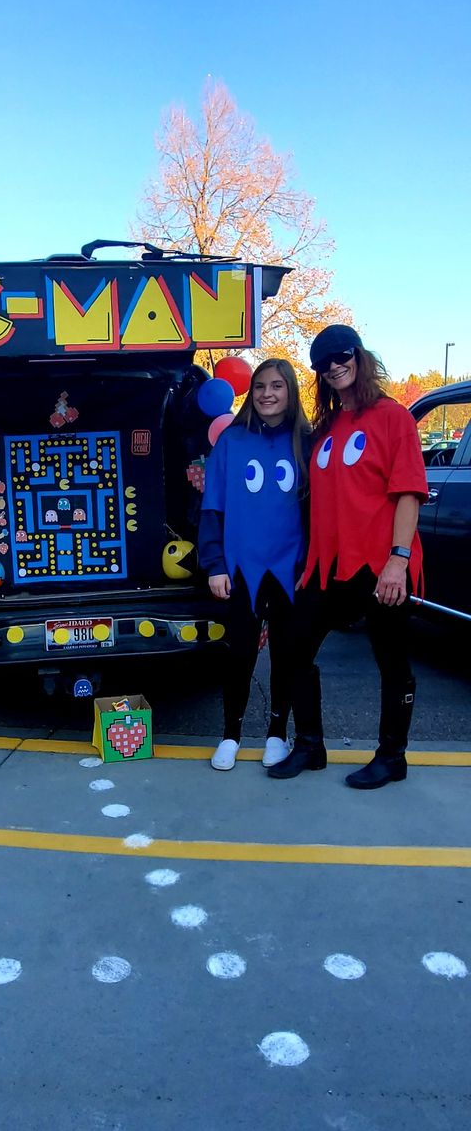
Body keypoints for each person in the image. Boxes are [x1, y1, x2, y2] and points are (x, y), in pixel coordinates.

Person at [267, 324, 427, 789]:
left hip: (380, 565)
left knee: (391, 661)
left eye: (341, 356)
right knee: (294, 645)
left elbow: (408, 493)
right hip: (329, 565)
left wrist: (397, 561)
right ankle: (310, 745)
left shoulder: (393, 417)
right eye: (323, 363)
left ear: (358, 357)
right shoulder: (327, 429)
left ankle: (392, 756)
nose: (334, 367)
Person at [199, 359, 311, 770]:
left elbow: (317, 509)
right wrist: (214, 564)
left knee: (286, 653)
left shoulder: (305, 440)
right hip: (240, 566)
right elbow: (212, 505)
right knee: (239, 653)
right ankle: (230, 734)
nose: (267, 393)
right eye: (260, 385)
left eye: (277, 386)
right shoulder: (232, 440)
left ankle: (277, 734)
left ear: (290, 391)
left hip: (291, 566)